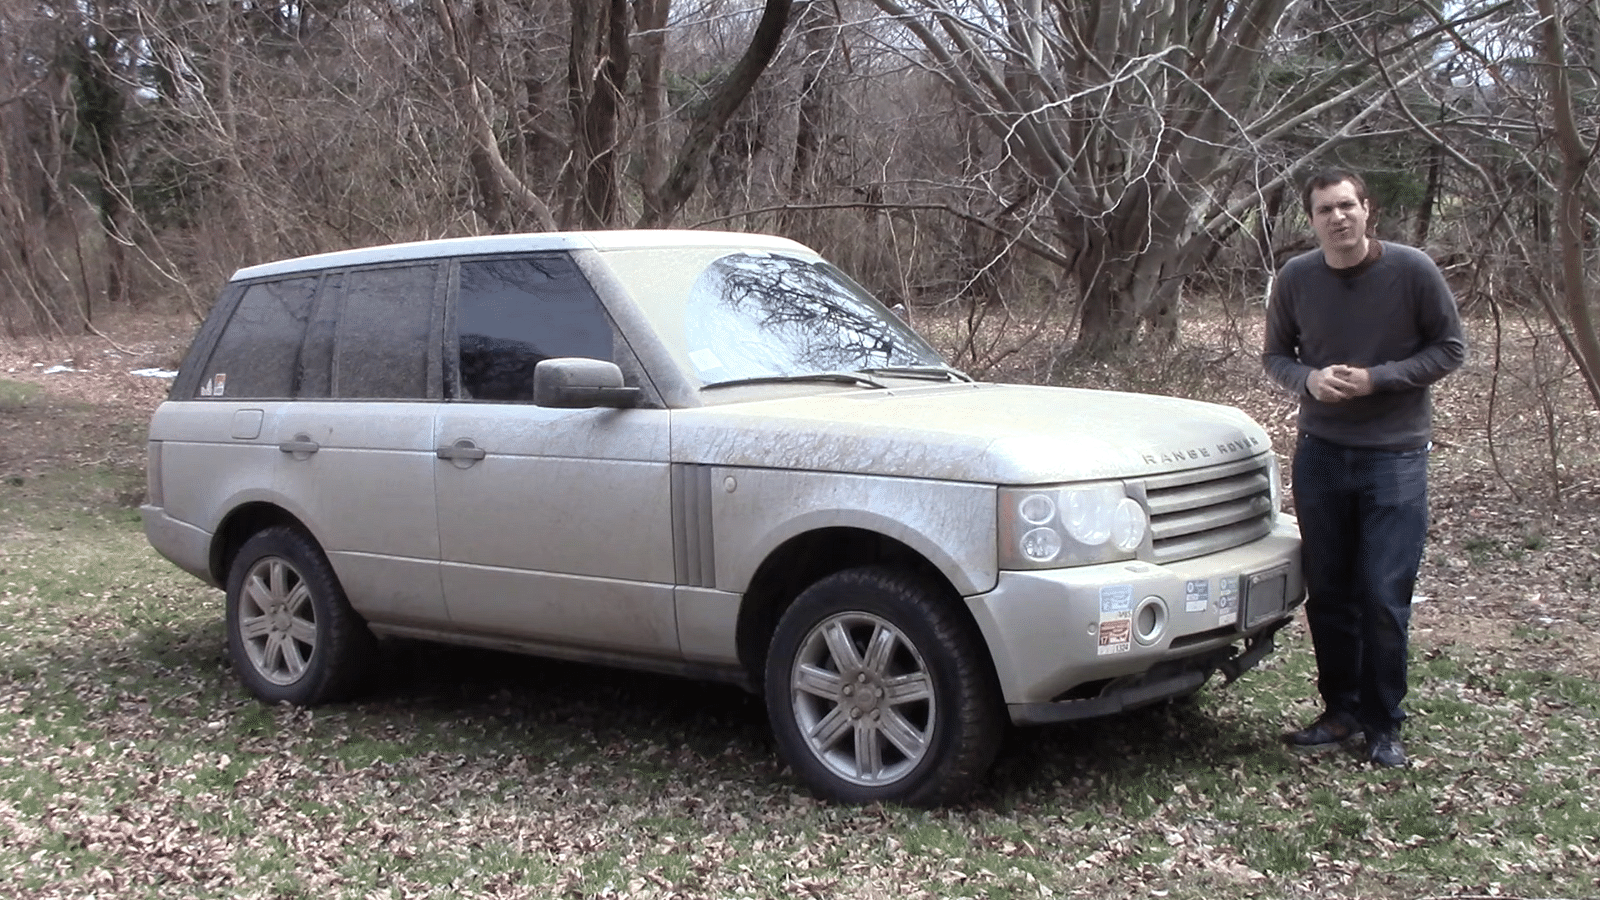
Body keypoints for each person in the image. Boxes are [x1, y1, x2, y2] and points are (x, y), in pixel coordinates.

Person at [1262, 168, 1467, 768]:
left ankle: (1384, 723)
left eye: (1347, 205)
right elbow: (1276, 355)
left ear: (1367, 209)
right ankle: (1340, 710)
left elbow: (1450, 348)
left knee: (1382, 593)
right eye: (1325, 209)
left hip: (1394, 457)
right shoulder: (1297, 278)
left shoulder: (1411, 271)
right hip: (1321, 453)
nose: (1338, 217)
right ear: (1313, 219)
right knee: (1328, 593)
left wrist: (1379, 379)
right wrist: (1309, 380)